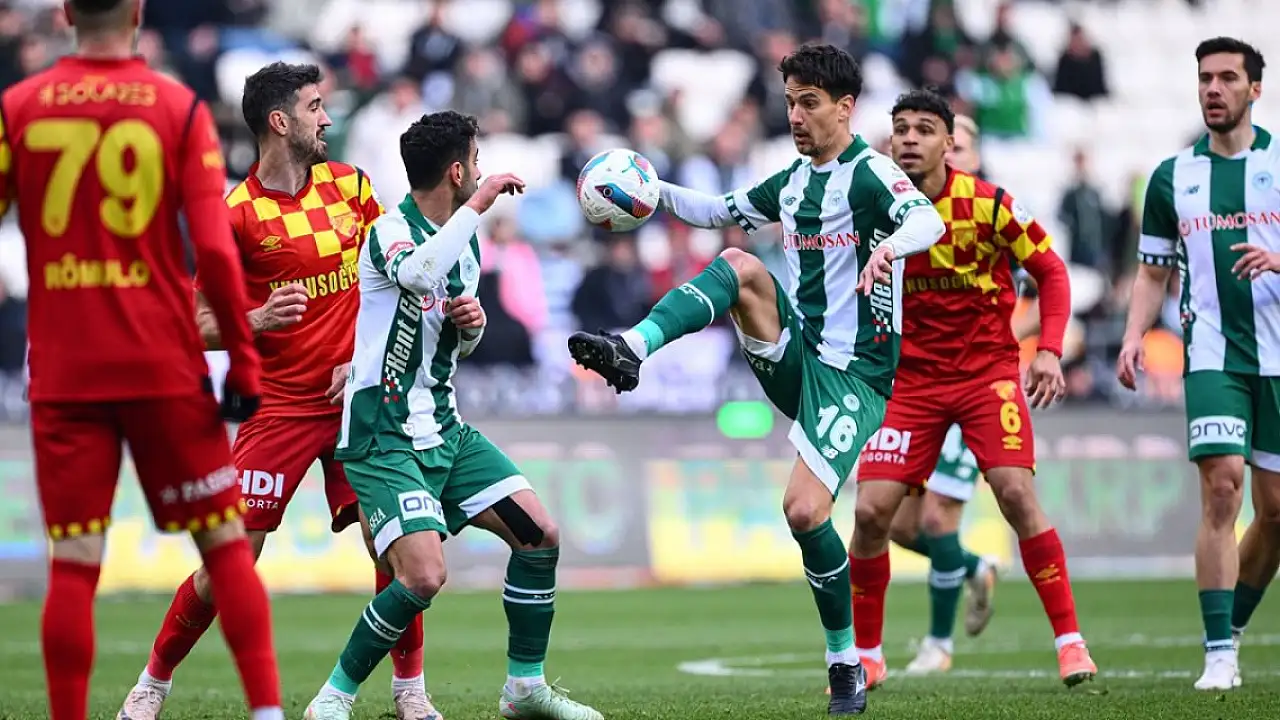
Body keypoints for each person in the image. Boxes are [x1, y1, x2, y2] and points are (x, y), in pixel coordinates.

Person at [567, 43, 946, 716]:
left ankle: (845, 662)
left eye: (809, 103)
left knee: (803, 512)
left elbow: (928, 218)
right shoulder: (793, 182)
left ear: (845, 108)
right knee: (740, 263)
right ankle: (630, 348)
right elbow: (717, 210)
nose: (795, 116)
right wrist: (650, 191)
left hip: (855, 376)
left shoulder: (871, 174)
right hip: (800, 353)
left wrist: (890, 246)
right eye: (790, 102)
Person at [118, 63, 437, 719]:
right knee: (231, 561)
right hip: (279, 409)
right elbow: (193, 325)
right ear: (279, 121)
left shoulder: (353, 187)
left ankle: (411, 691)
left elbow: (398, 278)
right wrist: (255, 319)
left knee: (395, 548)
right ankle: (152, 683)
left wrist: (377, 356)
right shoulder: (234, 215)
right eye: (316, 107)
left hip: (358, 403)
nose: (327, 118)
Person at [0, 1, 282, 719]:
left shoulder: (18, 108)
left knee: (73, 566)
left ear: (65, 12)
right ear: (138, 10)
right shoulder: (177, 107)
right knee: (225, 547)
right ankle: (267, 713)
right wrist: (243, 362)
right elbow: (214, 247)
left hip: (65, 371)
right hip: (162, 364)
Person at [302, 110, 604, 720]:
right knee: (422, 577)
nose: (482, 173)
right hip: (383, 435)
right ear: (459, 172)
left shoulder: (465, 243)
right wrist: (481, 206)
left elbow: (452, 344)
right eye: (477, 162)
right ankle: (332, 699)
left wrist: (473, 325)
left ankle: (525, 690)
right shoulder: (388, 232)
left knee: (539, 536)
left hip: (445, 428)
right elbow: (417, 274)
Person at [847, 88, 1096, 689]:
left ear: (948, 143)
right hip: (910, 383)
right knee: (872, 513)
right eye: (901, 129)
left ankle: (1070, 643)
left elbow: (1051, 271)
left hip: (986, 376)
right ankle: (866, 656)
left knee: (1015, 494)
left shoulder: (990, 205)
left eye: (924, 129)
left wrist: (1049, 350)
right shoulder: (871, 209)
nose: (910, 139)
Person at [1118, 36, 1280, 692]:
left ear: (1254, 89)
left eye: (1228, 78)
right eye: (1205, 78)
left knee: (1277, 513)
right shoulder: (1172, 177)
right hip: (1211, 351)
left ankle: (1231, 628)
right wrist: (1133, 334)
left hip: (1278, 355)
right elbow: (1152, 271)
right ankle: (1218, 654)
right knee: (1221, 488)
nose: (1214, 88)